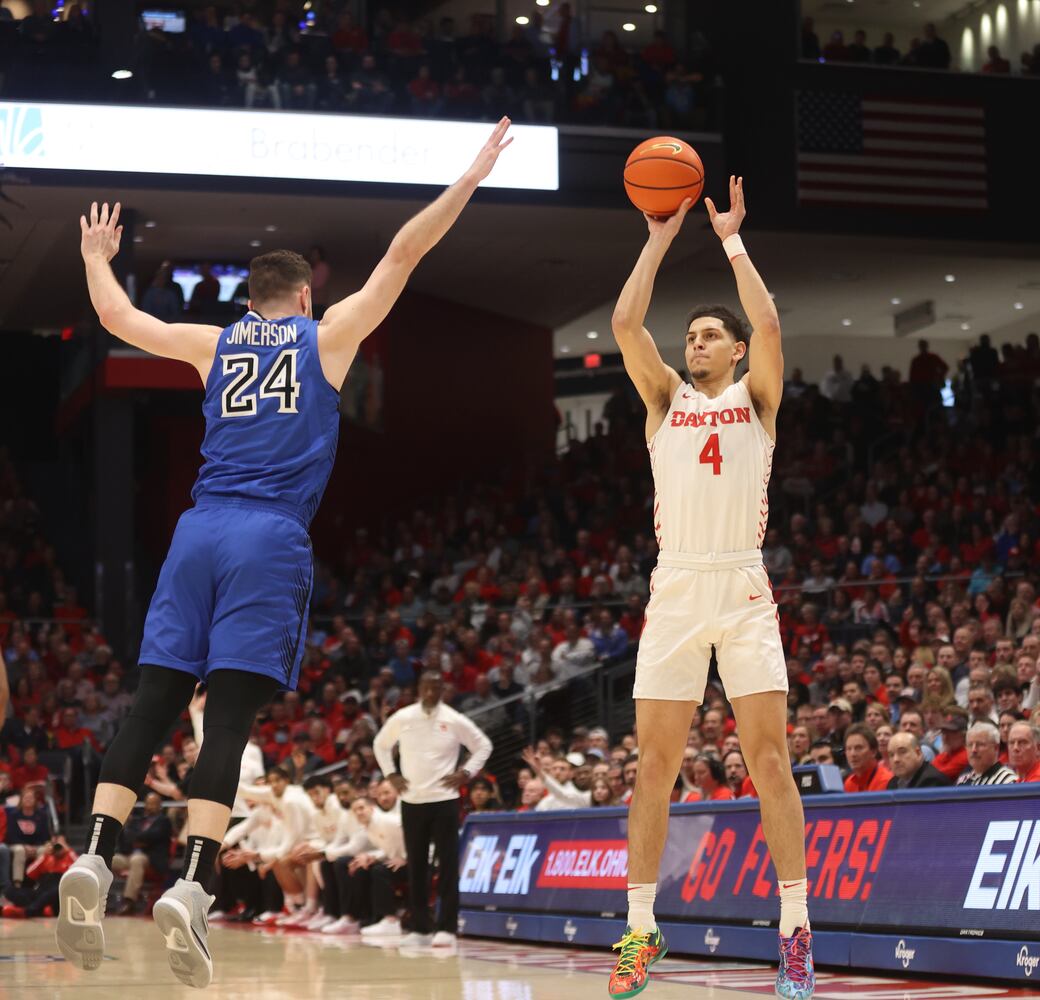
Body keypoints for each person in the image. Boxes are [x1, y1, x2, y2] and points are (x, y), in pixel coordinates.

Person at [56, 120, 515, 987]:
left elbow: (119, 315)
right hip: (268, 538)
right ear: (303, 300)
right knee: (227, 719)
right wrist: (472, 176)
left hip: (197, 531)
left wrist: (94, 253)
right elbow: (404, 253)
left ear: (250, 302)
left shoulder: (212, 343)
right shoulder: (328, 337)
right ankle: (193, 884)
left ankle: (93, 854)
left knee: (153, 704)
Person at [607, 176, 814, 998]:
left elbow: (767, 320)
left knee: (769, 759)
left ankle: (796, 933)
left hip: (741, 583)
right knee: (653, 767)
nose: (693, 343)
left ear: (731, 351)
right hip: (677, 587)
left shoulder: (758, 400)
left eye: (704, 336)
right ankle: (639, 929)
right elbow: (626, 323)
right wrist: (659, 236)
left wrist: (730, 238)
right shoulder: (664, 399)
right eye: (688, 335)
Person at [373, 670, 491, 948]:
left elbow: (484, 745)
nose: (430, 693)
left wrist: (466, 772)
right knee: (416, 865)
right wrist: (391, 774)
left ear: (442, 691)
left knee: (448, 865)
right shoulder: (403, 717)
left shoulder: (453, 719)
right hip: (412, 801)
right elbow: (380, 745)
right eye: (425, 687)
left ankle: (447, 927)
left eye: (435, 688)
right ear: (419, 689)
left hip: (444, 800)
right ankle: (420, 928)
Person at [110, 791, 173, 914]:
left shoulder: (164, 821)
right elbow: (128, 839)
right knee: (109, 859)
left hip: (151, 860)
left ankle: (129, 901)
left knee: (137, 859)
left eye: (153, 804)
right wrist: (127, 828)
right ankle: (99, 896)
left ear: (160, 806)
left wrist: (138, 838)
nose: (150, 807)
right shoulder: (138, 821)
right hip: (131, 856)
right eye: (148, 804)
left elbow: (154, 836)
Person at [886, 732, 951, 790]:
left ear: (918, 753)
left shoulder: (931, 780)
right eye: (891, 755)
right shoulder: (893, 783)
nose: (896, 759)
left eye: (902, 752)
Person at [843, 724, 892, 792]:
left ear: (873, 752)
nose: (852, 754)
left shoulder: (887, 781)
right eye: (849, 749)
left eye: (858, 748)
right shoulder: (849, 783)